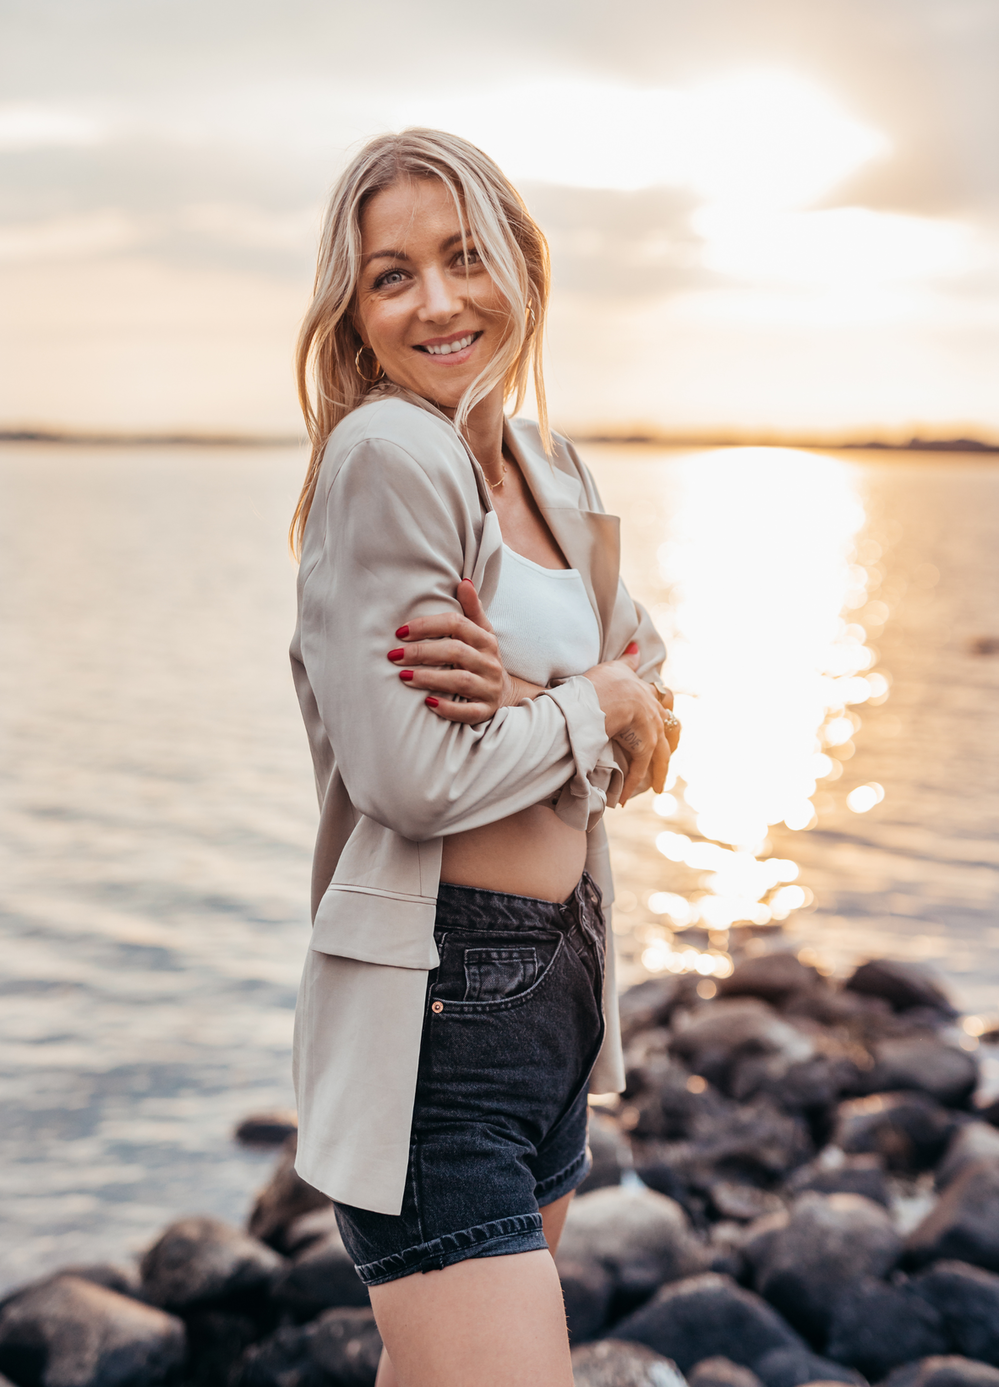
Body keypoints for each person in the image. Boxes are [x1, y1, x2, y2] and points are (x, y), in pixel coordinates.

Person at [289, 128, 680, 1387]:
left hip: (559, 986)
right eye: (392, 274)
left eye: (465, 257)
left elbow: (654, 727)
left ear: (522, 263)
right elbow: (413, 781)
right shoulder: (389, 456)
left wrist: (570, 698)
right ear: (353, 311)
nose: (439, 300)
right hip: (442, 1010)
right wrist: (593, 700)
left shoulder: (547, 467)